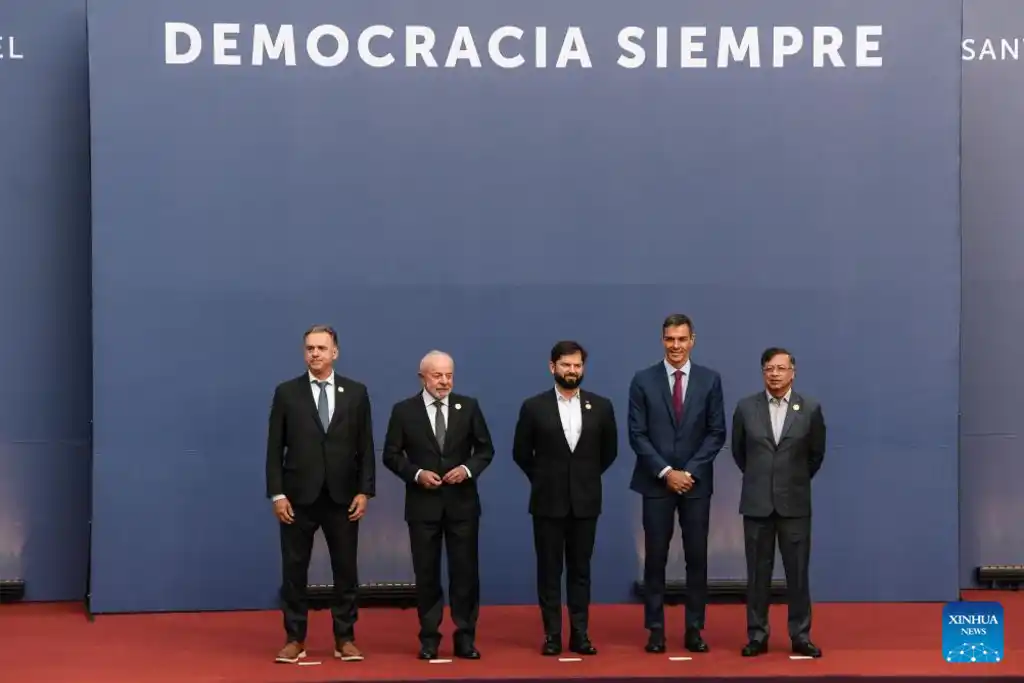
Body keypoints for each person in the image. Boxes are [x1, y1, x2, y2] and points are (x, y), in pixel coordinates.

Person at [265, 325, 376, 664]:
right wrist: (277, 495)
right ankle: (294, 639)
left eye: (322, 348)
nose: (315, 353)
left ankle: (345, 638)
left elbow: (365, 447)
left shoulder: (356, 393)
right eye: (310, 348)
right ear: (304, 353)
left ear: (335, 352)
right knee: (294, 570)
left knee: (346, 571)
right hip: (298, 498)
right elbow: (274, 450)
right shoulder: (287, 393)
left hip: (343, 497)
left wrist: (365, 491)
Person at [382, 350, 495, 661]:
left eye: (449, 375)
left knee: (465, 575)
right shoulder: (404, 411)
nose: (444, 381)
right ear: (423, 377)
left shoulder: (468, 407)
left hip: (462, 507)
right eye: (437, 375)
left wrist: (467, 469)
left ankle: (465, 638)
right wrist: (416, 474)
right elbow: (391, 455)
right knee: (427, 575)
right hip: (423, 507)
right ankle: (429, 638)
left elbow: (485, 450)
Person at [512, 341, 619, 656]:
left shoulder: (601, 406)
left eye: (577, 365)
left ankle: (580, 634)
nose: (572, 371)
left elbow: (608, 452)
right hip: (547, 502)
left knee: (580, 570)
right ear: (552, 367)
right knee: (548, 571)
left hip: (586, 502)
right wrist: (545, 479)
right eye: (566, 365)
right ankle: (552, 636)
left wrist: (582, 479)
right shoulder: (534, 406)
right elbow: (521, 453)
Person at [627, 313, 726, 654]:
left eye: (682, 339)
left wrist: (690, 473)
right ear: (662, 340)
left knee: (697, 558)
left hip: (696, 486)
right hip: (656, 484)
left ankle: (694, 629)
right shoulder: (642, 380)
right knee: (655, 558)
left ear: (692, 340)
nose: (676, 346)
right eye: (670, 339)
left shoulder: (710, 380)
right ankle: (655, 628)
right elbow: (637, 435)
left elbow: (717, 433)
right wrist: (667, 472)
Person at [731, 347, 825, 659]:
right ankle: (757, 635)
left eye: (781, 368)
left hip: (795, 505)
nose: (775, 374)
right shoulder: (746, 408)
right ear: (763, 372)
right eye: (769, 368)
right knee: (757, 575)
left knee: (798, 574)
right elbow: (739, 453)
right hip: (757, 504)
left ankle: (800, 635)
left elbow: (815, 455)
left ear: (792, 372)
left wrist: (790, 481)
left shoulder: (809, 408)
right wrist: (763, 480)